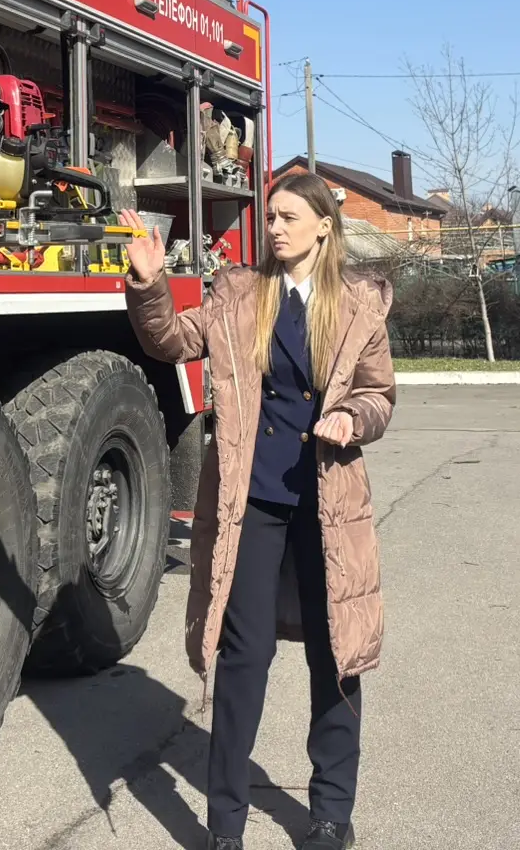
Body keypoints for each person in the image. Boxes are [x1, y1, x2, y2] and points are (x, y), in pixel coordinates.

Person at [120, 174, 395, 850]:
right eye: (270, 216)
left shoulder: (359, 304)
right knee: (244, 657)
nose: (273, 228)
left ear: (324, 226)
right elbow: (170, 340)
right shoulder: (239, 293)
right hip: (253, 502)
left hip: (328, 504)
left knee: (336, 656)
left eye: (288, 217)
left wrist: (353, 418)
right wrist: (150, 284)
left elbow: (379, 394)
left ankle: (331, 813)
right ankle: (225, 825)